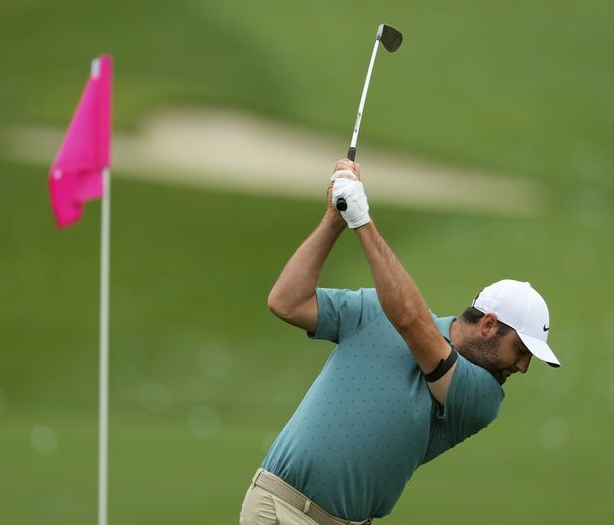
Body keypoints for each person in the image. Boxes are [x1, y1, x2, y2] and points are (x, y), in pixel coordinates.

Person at [240, 159, 562, 525]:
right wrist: (336, 216)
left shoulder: (482, 399)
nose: (522, 367)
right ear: (489, 325)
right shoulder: (376, 310)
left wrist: (362, 221)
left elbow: (411, 322)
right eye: (520, 350)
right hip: (275, 505)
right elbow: (287, 302)